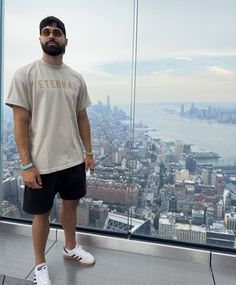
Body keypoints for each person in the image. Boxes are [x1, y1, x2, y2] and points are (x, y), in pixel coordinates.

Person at [5, 16, 95, 285]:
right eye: (46, 32)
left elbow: (82, 118)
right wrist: (25, 165)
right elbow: (19, 122)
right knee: (41, 215)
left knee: (71, 206)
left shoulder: (76, 78)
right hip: (41, 162)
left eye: (57, 32)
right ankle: (40, 265)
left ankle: (70, 248)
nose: (52, 36)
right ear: (40, 39)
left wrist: (88, 153)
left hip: (72, 159)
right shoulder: (25, 74)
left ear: (66, 40)